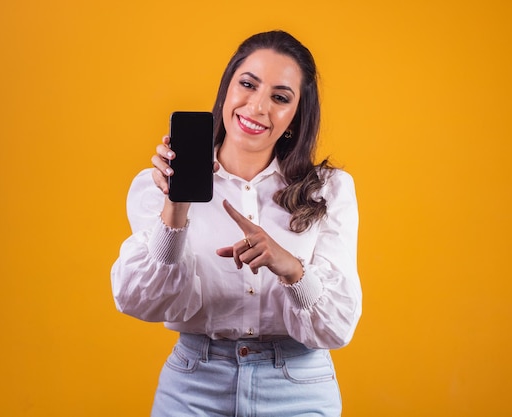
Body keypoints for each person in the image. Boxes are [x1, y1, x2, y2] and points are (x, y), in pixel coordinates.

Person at [111, 30, 362, 417]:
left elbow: (337, 328)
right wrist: (175, 210)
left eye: (280, 98)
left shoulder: (328, 190)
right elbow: (140, 302)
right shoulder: (155, 188)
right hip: (194, 386)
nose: (258, 107)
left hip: (298, 387)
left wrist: (291, 269)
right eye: (247, 84)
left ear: (296, 117)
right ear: (227, 90)